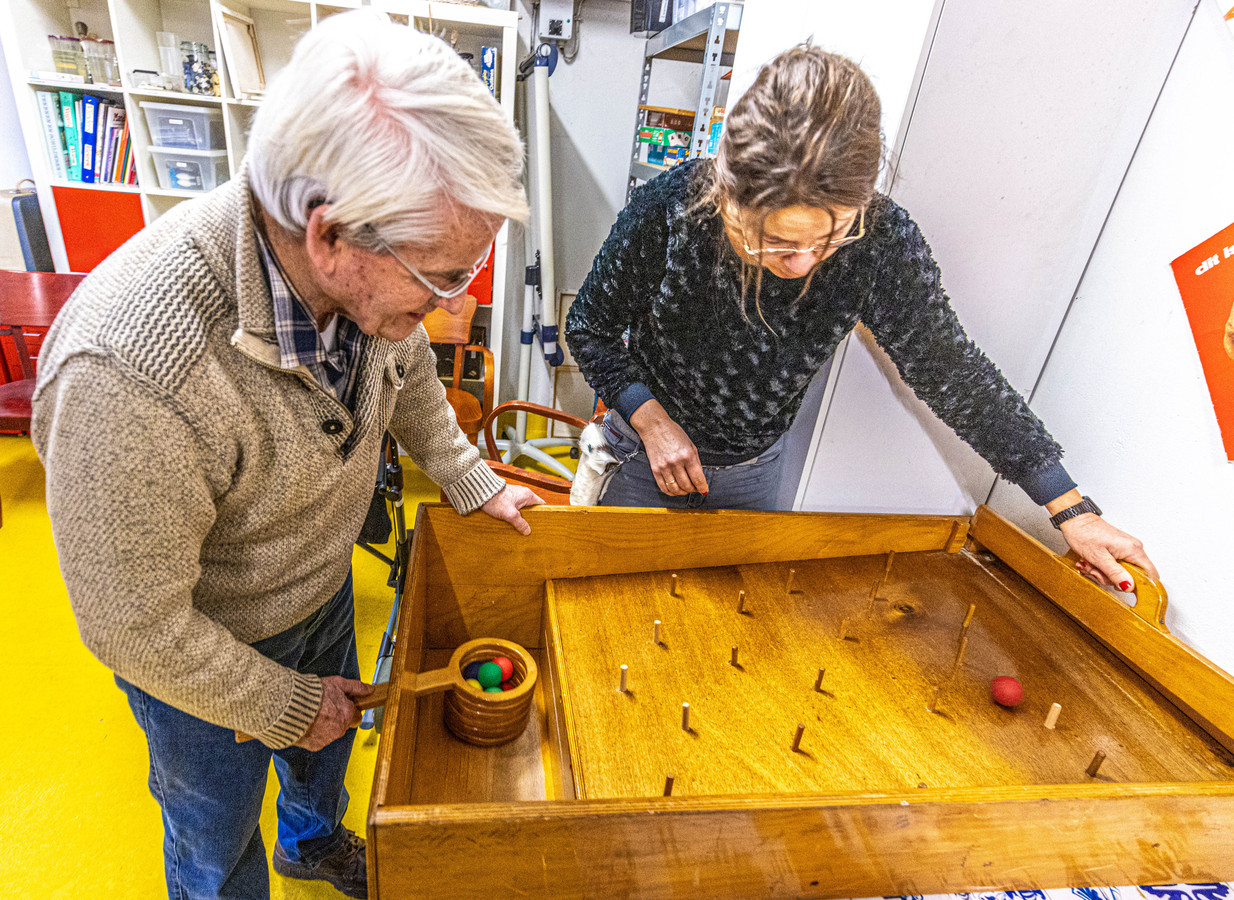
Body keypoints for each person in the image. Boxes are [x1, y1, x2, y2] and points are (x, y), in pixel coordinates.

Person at [31, 11, 539, 900]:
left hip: (318, 583)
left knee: (323, 765)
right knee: (216, 833)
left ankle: (311, 843)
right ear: (330, 236)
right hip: (205, 649)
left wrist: (468, 475)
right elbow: (131, 626)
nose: (454, 299)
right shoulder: (130, 373)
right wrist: (280, 704)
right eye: (445, 276)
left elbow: (407, 366)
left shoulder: (362, 286)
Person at [565, 44, 1156, 591]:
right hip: (640, 459)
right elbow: (589, 327)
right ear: (727, 195)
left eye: (829, 239)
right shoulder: (673, 207)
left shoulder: (881, 241)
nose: (801, 265)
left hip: (753, 473)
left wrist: (1070, 508)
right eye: (776, 243)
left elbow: (953, 373)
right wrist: (651, 420)